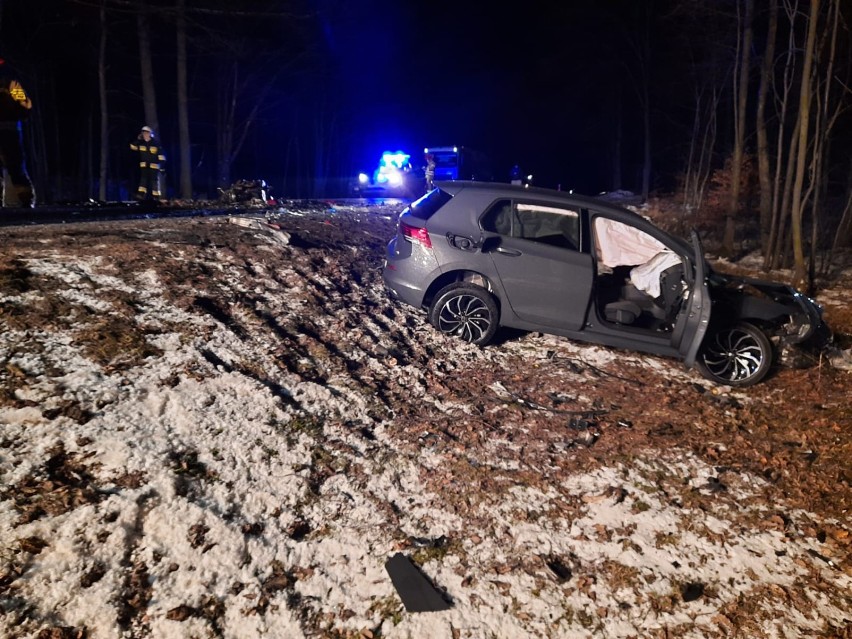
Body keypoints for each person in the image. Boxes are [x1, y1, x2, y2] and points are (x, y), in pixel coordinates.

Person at [0, 58, 35, 208]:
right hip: (11, 130)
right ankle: (27, 202)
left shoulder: (11, 84)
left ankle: (27, 201)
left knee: (16, 167)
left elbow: (25, 106)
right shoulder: (11, 84)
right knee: (16, 168)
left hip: (10, 130)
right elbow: (25, 107)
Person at [129, 125, 166, 201]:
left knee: (154, 182)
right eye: (143, 133)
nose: (145, 135)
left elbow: (161, 156)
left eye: (146, 133)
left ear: (150, 134)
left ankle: (156, 198)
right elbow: (132, 147)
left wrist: (162, 167)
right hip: (144, 166)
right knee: (143, 181)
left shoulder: (156, 144)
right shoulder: (141, 143)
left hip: (154, 167)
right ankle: (140, 196)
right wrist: (138, 140)